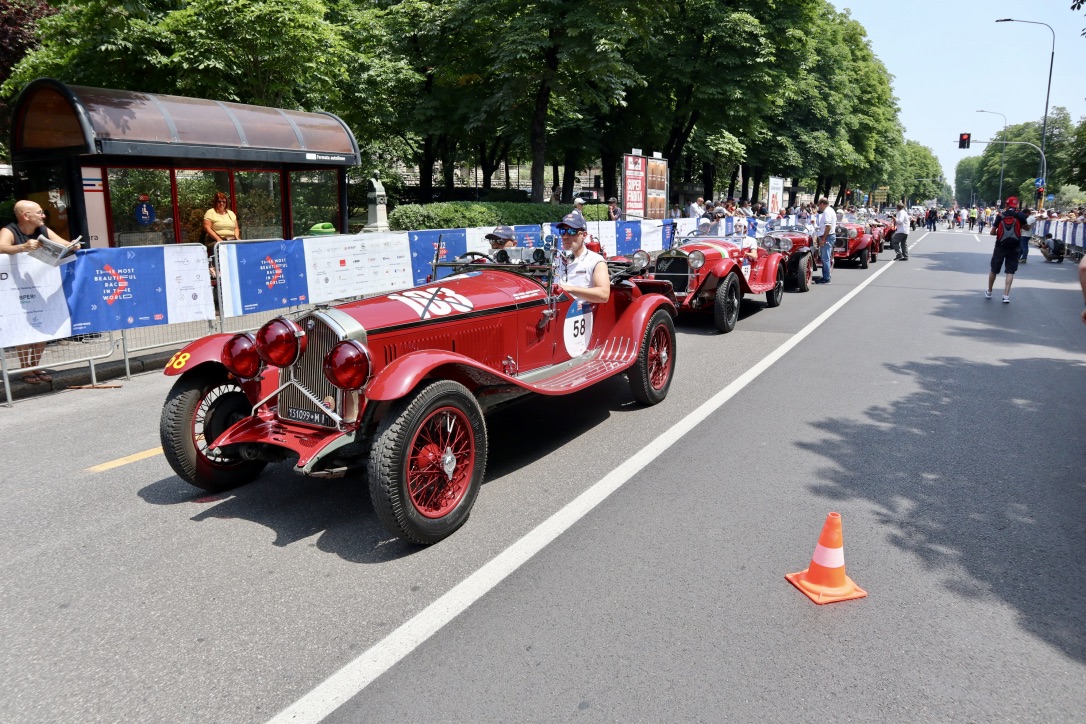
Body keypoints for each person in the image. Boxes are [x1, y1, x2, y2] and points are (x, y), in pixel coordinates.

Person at [0, 199, 80, 384]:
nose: (43, 215)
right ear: (25, 216)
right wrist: (22, 247)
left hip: (41, 287)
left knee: (41, 326)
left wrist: (73, 245)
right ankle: (24, 368)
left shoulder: (43, 230)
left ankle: (35, 366)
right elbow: (1, 246)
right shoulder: (9, 230)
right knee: (23, 328)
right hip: (16, 290)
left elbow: (64, 244)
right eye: (39, 212)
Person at [555, 213, 609, 304]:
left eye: (572, 231)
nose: (565, 236)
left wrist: (568, 289)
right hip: (554, 310)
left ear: (584, 235)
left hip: (580, 312)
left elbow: (604, 295)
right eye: (562, 231)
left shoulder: (595, 261)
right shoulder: (555, 258)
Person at [986, 196, 1030, 303]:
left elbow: (992, 232)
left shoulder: (1001, 215)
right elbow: (1027, 228)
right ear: (1016, 205)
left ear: (1006, 204)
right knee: (1010, 271)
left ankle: (989, 291)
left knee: (994, 269)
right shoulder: (1020, 215)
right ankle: (1006, 295)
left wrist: (1000, 234)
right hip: (1015, 246)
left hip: (1000, 246)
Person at [815, 197, 836, 284]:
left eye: (819, 205)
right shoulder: (830, 210)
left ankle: (826, 278)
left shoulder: (827, 212)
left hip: (827, 236)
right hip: (829, 236)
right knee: (826, 258)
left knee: (825, 258)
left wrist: (823, 239)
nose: (818, 207)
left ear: (822, 204)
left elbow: (828, 226)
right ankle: (825, 276)